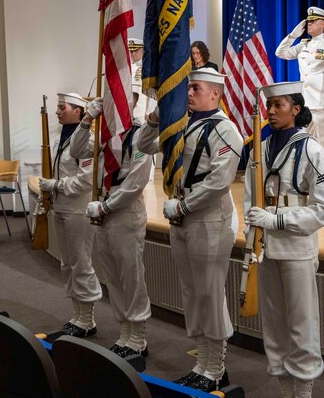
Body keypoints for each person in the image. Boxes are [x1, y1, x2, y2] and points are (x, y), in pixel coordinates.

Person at [138, 68, 243, 393]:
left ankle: (216, 368)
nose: (188, 93)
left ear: (215, 93)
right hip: (181, 217)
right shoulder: (181, 125)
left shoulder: (225, 130)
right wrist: (155, 117)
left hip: (209, 219)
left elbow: (218, 181)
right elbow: (143, 145)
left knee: (210, 294)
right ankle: (201, 364)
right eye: (187, 87)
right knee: (192, 295)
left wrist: (183, 206)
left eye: (195, 87)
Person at [243, 81, 324, 398]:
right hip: (265, 248)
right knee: (274, 324)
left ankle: (304, 390)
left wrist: (278, 219)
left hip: (296, 248)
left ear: (296, 109)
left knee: (301, 322)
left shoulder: (313, 151)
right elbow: (249, 198)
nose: (270, 111)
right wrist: (251, 238)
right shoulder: (261, 149)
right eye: (268, 106)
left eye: (278, 105)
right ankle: (285, 389)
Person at [69, 96, 154, 358]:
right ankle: (125, 332)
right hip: (102, 211)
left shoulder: (140, 136)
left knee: (131, 276)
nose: (113, 107)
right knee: (113, 277)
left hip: (124, 212)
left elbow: (136, 182)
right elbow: (76, 150)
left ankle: (138, 337)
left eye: (121, 101)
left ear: (133, 104)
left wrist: (106, 207)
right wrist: (86, 120)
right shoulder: (105, 136)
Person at [38, 93, 102, 338]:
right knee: (67, 265)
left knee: (81, 262)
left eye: (61, 107)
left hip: (78, 208)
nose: (56, 111)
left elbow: (86, 181)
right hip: (61, 208)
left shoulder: (87, 141)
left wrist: (55, 185)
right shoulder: (57, 140)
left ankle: (87, 319)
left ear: (78, 111)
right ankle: (77, 314)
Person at [275, 6, 324, 158]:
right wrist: (293, 35)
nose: (309, 25)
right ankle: (307, 176)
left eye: (313, 22)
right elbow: (280, 52)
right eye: (308, 22)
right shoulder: (303, 45)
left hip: (322, 103)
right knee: (304, 142)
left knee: (323, 142)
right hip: (305, 102)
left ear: (323, 24)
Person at [129, 38, 154, 122]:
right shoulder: (130, 68)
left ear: (142, 50)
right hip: (129, 113)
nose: (132, 54)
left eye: (135, 51)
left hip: (141, 114)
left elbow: (151, 94)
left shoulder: (147, 68)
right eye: (131, 51)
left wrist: (150, 112)